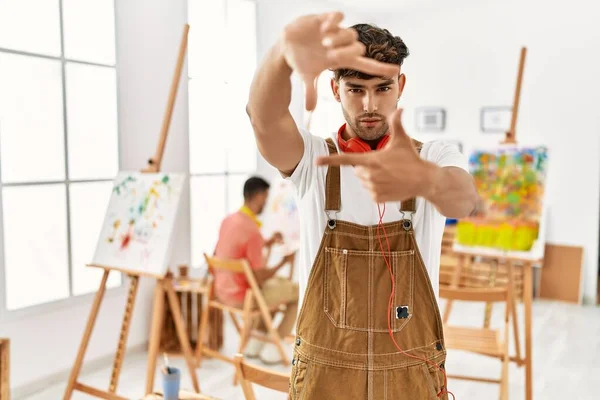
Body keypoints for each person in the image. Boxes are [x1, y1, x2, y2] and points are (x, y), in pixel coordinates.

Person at [246, 11, 478, 399]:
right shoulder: (313, 161)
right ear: (335, 89)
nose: (370, 104)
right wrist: (281, 54)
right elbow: (263, 119)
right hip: (325, 375)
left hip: (411, 373)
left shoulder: (435, 155)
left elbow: (465, 199)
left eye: (383, 88)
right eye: (356, 89)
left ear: (400, 85)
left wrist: (424, 178)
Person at [212, 176, 298, 365]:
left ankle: (256, 342)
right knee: (297, 293)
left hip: (221, 292)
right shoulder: (252, 230)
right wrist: (284, 262)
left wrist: (265, 242)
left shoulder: (229, 220)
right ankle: (273, 347)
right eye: (266, 197)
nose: (266, 202)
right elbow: (259, 277)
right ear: (258, 196)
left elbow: (234, 251)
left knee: (276, 290)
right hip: (243, 298)